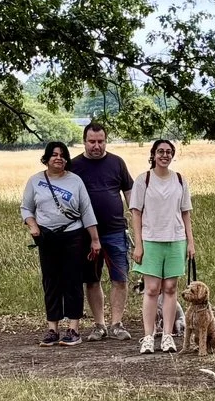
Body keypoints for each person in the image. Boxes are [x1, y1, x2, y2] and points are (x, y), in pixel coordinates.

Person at [21, 140, 101, 345]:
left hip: (73, 236)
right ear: (46, 158)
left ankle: (73, 329)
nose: (58, 158)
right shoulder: (35, 181)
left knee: (73, 281)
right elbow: (26, 208)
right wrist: (32, 225)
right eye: (54, 155)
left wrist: (94, 239)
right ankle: (52, 328)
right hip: (47, 237)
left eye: (62, 155)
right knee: (51, 281)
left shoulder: (75, 181)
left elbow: (87, 210)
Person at [128, 138, 196, 354]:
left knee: (170, 288)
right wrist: (138, 244)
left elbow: (185, 213)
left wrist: (190, 242)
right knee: (151, 289)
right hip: (151, 240)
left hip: (175, 239)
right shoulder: (143, 180)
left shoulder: (180, 180)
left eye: (168, 152)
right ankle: (148, 336)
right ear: (153, 154)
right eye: (160, 151)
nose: (164, 155)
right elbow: (136, 213)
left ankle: (168, 335)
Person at [68, 121, 135, 339]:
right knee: (92, 280)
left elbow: (129, 193)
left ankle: (117, 324)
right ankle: (99, 325)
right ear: (84, 142)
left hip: (116, 230)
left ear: (105, 141)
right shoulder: (74, 165)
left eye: (100, 141)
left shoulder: (117, 163)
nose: (96, 146)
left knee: (120, 278)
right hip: (85, 234)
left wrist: (137, 221)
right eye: (92, 142)